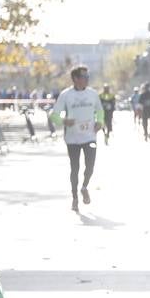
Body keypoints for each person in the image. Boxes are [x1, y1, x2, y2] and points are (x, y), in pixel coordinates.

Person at [50, 66, 105, 212]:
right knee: (75, 168)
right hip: (72, 138)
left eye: (88, 77)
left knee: (90, 165)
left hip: (90, 136)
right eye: (84, 77)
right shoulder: (66, 95)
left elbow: (100, 110)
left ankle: (84, 187)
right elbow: (54, 115)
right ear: (75, 79)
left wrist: (100, 121)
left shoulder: (92, 94)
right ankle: (74, 198)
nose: (87, 79)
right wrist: (64, 120)